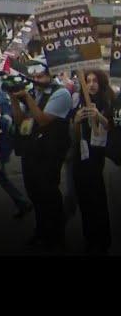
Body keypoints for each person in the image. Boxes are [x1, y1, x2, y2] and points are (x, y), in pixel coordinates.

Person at [10, 58, 72, 252]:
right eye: (34, 76)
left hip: (50, 152)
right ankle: (41, 231)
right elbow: (21, 121)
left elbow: (43, 119)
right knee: (35, 193)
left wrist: (27, 98)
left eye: (41, 76)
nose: (37, 80)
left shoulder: (60, 93)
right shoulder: (34, 93)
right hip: (31, 150)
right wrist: (13, 98)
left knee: (49, 194)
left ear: (50, 75)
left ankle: (56, 237)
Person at [72, 69, 114, 254]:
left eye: (95, 80)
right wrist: (76, 121)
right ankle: (89, 237)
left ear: (101, 82)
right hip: (80, 154)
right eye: (87, 81)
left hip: (97, 155)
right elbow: (73, 133)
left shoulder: (109, 100)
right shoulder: (78, 100)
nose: (91, 84)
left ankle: (103, 239)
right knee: (84, 198)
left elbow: (112, 126)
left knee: (97, 197)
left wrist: (100, 116)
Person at [0, 78, 32, 219]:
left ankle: (22, 202)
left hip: (0, 145)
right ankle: (21, 202)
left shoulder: (1, 100)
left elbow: (8, 123)